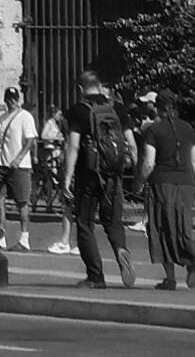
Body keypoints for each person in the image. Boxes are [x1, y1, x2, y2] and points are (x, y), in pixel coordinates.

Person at [61, 75, 139, 289]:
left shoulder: (78, 110)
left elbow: (73, 146)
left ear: (81, 88)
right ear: (101, 87)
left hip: (88, 175)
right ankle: (121, 249)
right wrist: (132, 171)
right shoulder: (118, 109)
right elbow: (131, 144)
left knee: (85, 224)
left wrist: (67, 179)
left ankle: (95, 276)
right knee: (113, 222)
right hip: (113, 175)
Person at [142, 86, 195, 289]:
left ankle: (170, 278)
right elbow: (193, 161)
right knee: (183, 227)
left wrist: (139, 183)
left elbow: (148, 163)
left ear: (159, 108)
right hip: (186, 183)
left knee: (161, 228)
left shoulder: (153, 130)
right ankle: (190, 262)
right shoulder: (188, 128)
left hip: (162, 183)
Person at [0, 84, 37, 248]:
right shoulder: (2, 118)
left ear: (18, 99)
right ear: (5, 100)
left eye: (14, 98)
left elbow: (30, 141)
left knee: (22, 202)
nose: (11, 101)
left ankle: (24, 239)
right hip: (3, 164)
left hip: (20, 166)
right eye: (9, 99)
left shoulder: (25, 117)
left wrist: (19, 158)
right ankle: (0, 237)